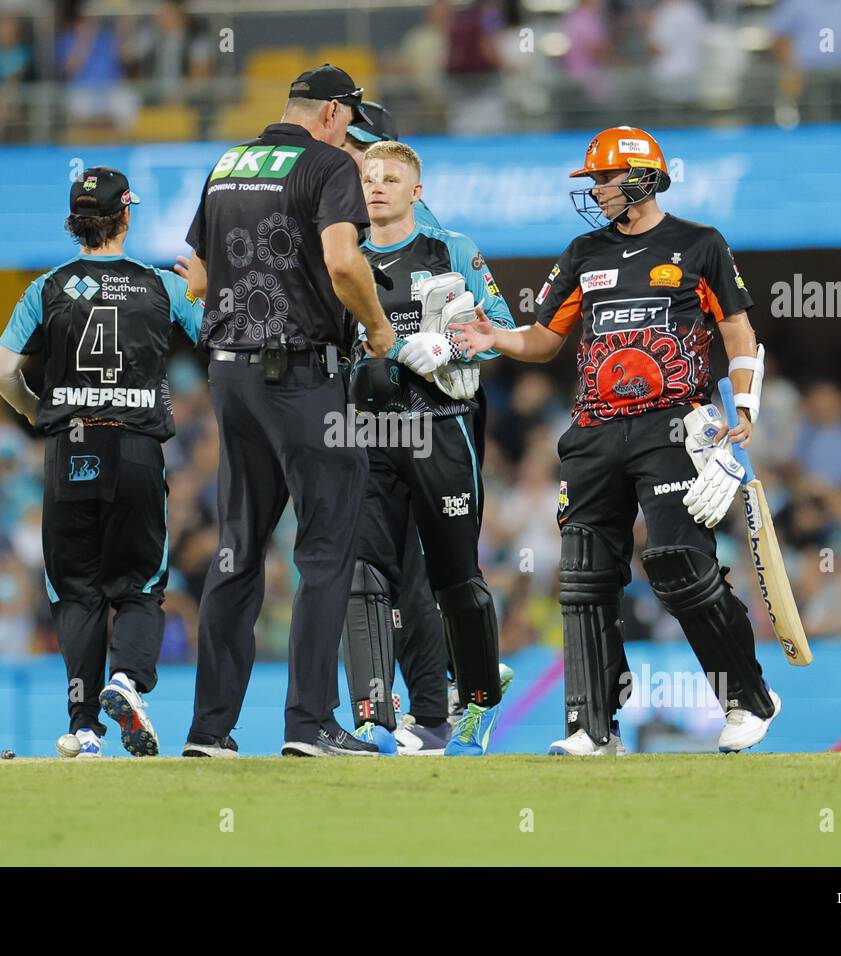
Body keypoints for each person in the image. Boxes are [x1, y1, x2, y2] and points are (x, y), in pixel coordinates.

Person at [451, 126, 780, 755]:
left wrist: (743, 409)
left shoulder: (699, 244)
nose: (596, 190)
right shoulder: (582, 252)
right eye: (593, 181)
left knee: (681, 564)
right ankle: (590, 726)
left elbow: (737, 331)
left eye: (605, 178)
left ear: (642, 177)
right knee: (584, 577)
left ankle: (747, 699)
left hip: (673, 426)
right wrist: (497, 337)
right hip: (595, 432)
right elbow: (545, 338)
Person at [180, 65, 396, 758]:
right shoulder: (330, 165)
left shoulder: (229, 163)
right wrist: (380, 328)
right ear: (332, 112)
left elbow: (203, 275)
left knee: (237, 549)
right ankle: (309, 724)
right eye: (349, 117)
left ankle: (209, 731)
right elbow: (342, 262)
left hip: (229, 377)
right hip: (300, 377)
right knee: (327, 549)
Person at [0, 166, 202, 758]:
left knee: (77, 592)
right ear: (126, 217)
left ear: (74, 224)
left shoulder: (47, 288)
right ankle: (128, 682)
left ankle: (84, 726)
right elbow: (222, 339)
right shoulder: (159, 286)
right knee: (137, 587)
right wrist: (207, 291)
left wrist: (37, 413)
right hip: (136, 450)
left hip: (70, 451)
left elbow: (1, 372)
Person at [343, 140, 517, 756]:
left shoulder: (453, 251)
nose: (377, 186)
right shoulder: (343, 256)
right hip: (366, 431)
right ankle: (371, 717)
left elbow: (498, 327)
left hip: (442, 424)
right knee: (364, 572)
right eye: (368, 176)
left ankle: (476, 706)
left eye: (391, 178)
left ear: (417, 192)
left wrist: (453, 347)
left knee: (454, 575)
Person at [336, 101, 458, 754]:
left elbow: (465, 332)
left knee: (388, 569)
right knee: (398, 572)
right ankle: (429, 712)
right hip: (371, 422)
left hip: (423, 422)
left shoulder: (419, 231)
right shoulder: (350, 216)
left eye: (357, 146)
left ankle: (419, 707)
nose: (348, 157)